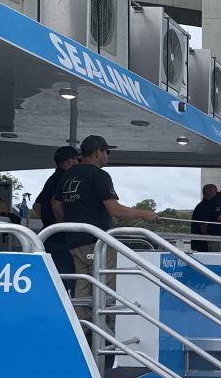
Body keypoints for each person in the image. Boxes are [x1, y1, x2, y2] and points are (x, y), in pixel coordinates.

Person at [52, 135, 159, 339]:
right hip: (97, 242)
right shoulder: (99, 176)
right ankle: (108, 335)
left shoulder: (68, 175)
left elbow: (55, 204)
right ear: (98, 152)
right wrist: (145, 214)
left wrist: (70, 224)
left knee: (82, 288)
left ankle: (81, 333)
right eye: (107, 152)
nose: (108, 156)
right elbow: (114, 209)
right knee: (106, 286)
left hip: (74, 241)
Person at [34, 145, 80, 292]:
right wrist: (63, 225)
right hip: (61, 239)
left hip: (48, 236)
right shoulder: (65, 178)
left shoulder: (52, 179)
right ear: (68, 162)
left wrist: (48, 222)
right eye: (77, 160)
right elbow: (55, 203)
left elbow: (37, 205)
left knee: (51, 278)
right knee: (66, 280)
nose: (80, 163)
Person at [190, 183, 218, 252]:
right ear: (209, 192)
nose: (217, 194)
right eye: (215, 191)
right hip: (203, 246)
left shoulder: (203, 206)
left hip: (201, 244)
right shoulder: (204, 207)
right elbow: (204, 228)